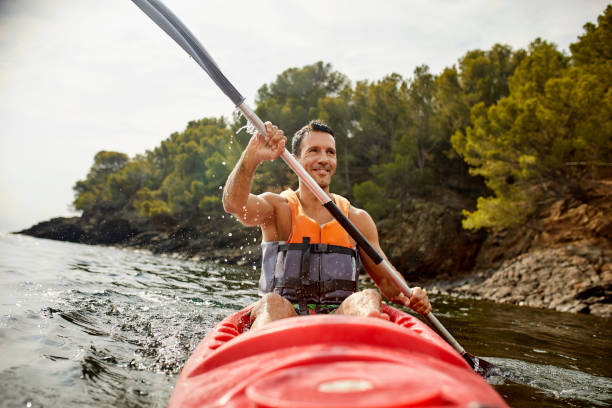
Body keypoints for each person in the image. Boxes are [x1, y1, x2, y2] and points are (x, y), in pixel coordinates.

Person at [223, 119, 431, 330]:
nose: (324, 159)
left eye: (330, 152)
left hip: (339, 319)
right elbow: (233, 204)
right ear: (294, 159)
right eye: (314, 150)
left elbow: (388, 284)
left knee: (368, 296)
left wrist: (410, 295)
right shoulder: (278, 208)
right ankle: (262, 348)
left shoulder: (356, 219)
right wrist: (252, 157)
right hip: (284, 320)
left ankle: (369, 339)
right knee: (271, 302)